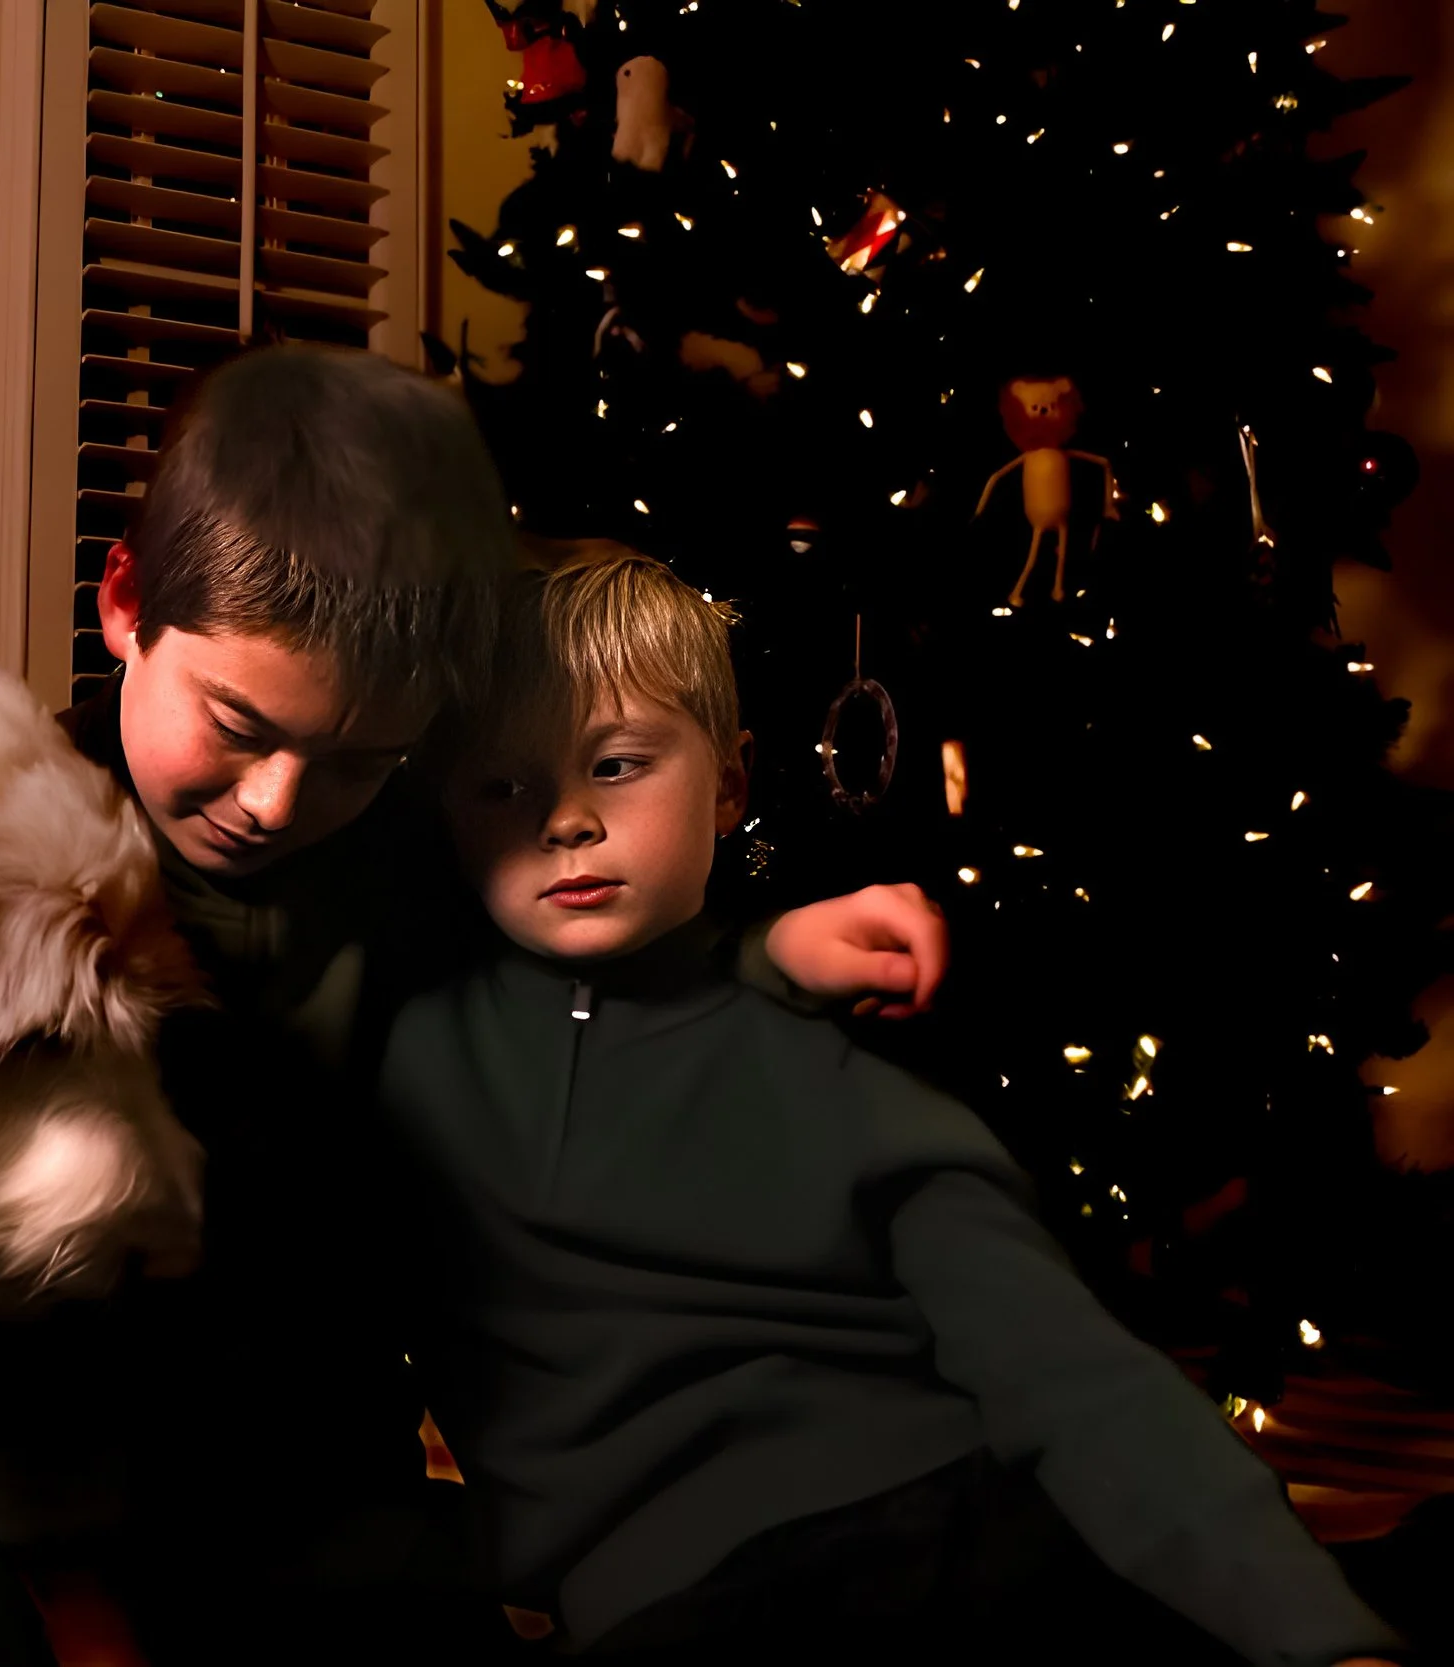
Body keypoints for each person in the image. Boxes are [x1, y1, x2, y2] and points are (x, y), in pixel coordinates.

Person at [0, 347, 953, 1665]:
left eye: (360, 757)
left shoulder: (408, 849)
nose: (278, 803)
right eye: (239, 724)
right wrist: (91, 1623)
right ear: (126, 601)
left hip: (296, 1432)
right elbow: (15, 1356)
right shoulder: (16, 861)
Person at [368, 548, 1406, 1664]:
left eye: (617, 764)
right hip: (685, 1601)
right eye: (502, 786)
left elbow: (1068, 1370)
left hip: (961, 1522)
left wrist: (1319, 1638)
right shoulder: (408, 1034)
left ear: (728, 783)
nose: (565, 819)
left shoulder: (834, 1064)